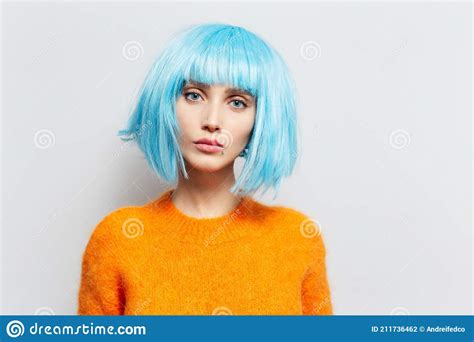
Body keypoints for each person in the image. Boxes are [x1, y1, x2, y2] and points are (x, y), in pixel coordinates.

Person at [77, 22, 333, 315]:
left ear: (261, 120)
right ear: (165, 105)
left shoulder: (296, 238)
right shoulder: (118, 238)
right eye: (194, 95)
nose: (212, 120)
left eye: (237, 102)